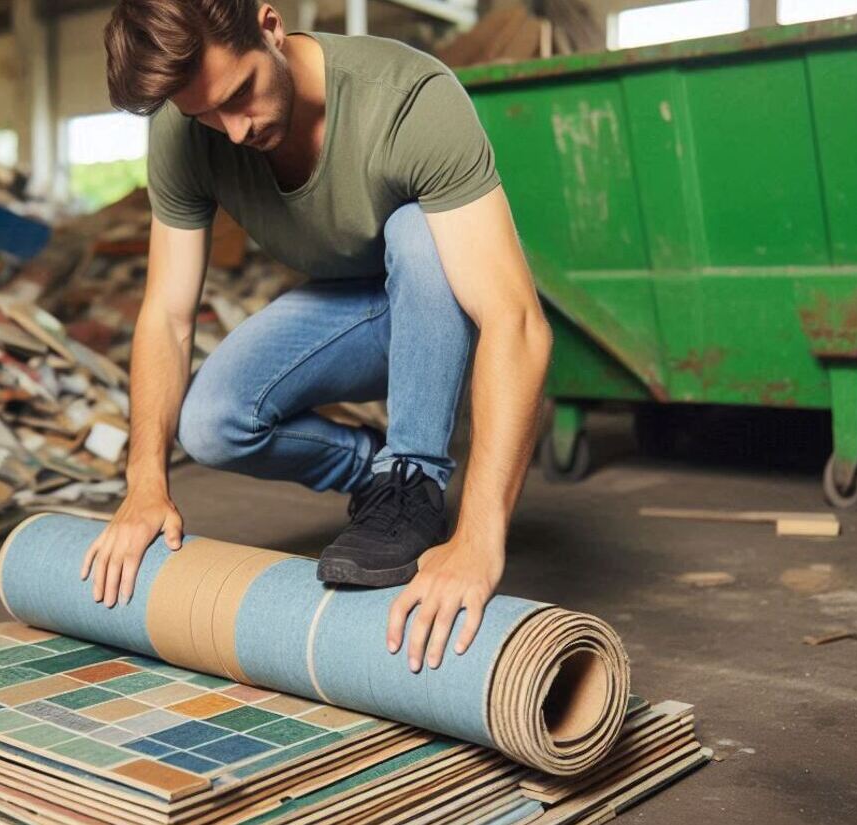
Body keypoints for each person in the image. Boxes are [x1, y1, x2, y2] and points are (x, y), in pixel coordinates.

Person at [81, 0, 552, 674]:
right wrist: (143, 482)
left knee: (415, 232)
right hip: (363, 311)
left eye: (240, 94)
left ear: (271, 27)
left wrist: (479, 536)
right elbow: (166, 314)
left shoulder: (410, 99)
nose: (233, 130)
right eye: (206, 115)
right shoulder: (186, 131)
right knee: (211, 421)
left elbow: (517, 321)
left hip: (453, 297)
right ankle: (381, 475)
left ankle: (417, 472)